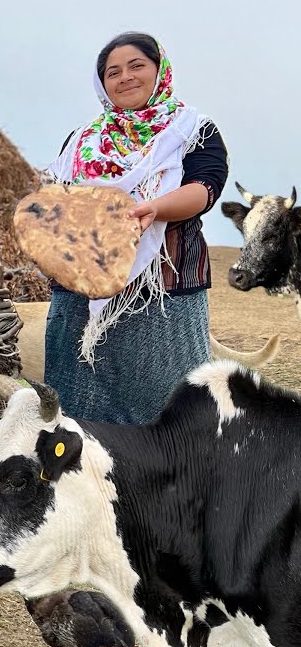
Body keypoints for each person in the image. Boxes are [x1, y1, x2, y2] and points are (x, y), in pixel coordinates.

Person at [43, 33, 228, 424]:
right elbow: (56, 201)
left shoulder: (192, 129)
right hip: (83, 290)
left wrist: (155, 208)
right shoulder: (82, 142)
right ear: (103, 84)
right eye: (113, 72)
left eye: (136, 65)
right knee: (81, 418)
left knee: (169, 417)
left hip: (162, 293)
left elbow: (206, 187)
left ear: (159, 71)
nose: (125, 77)